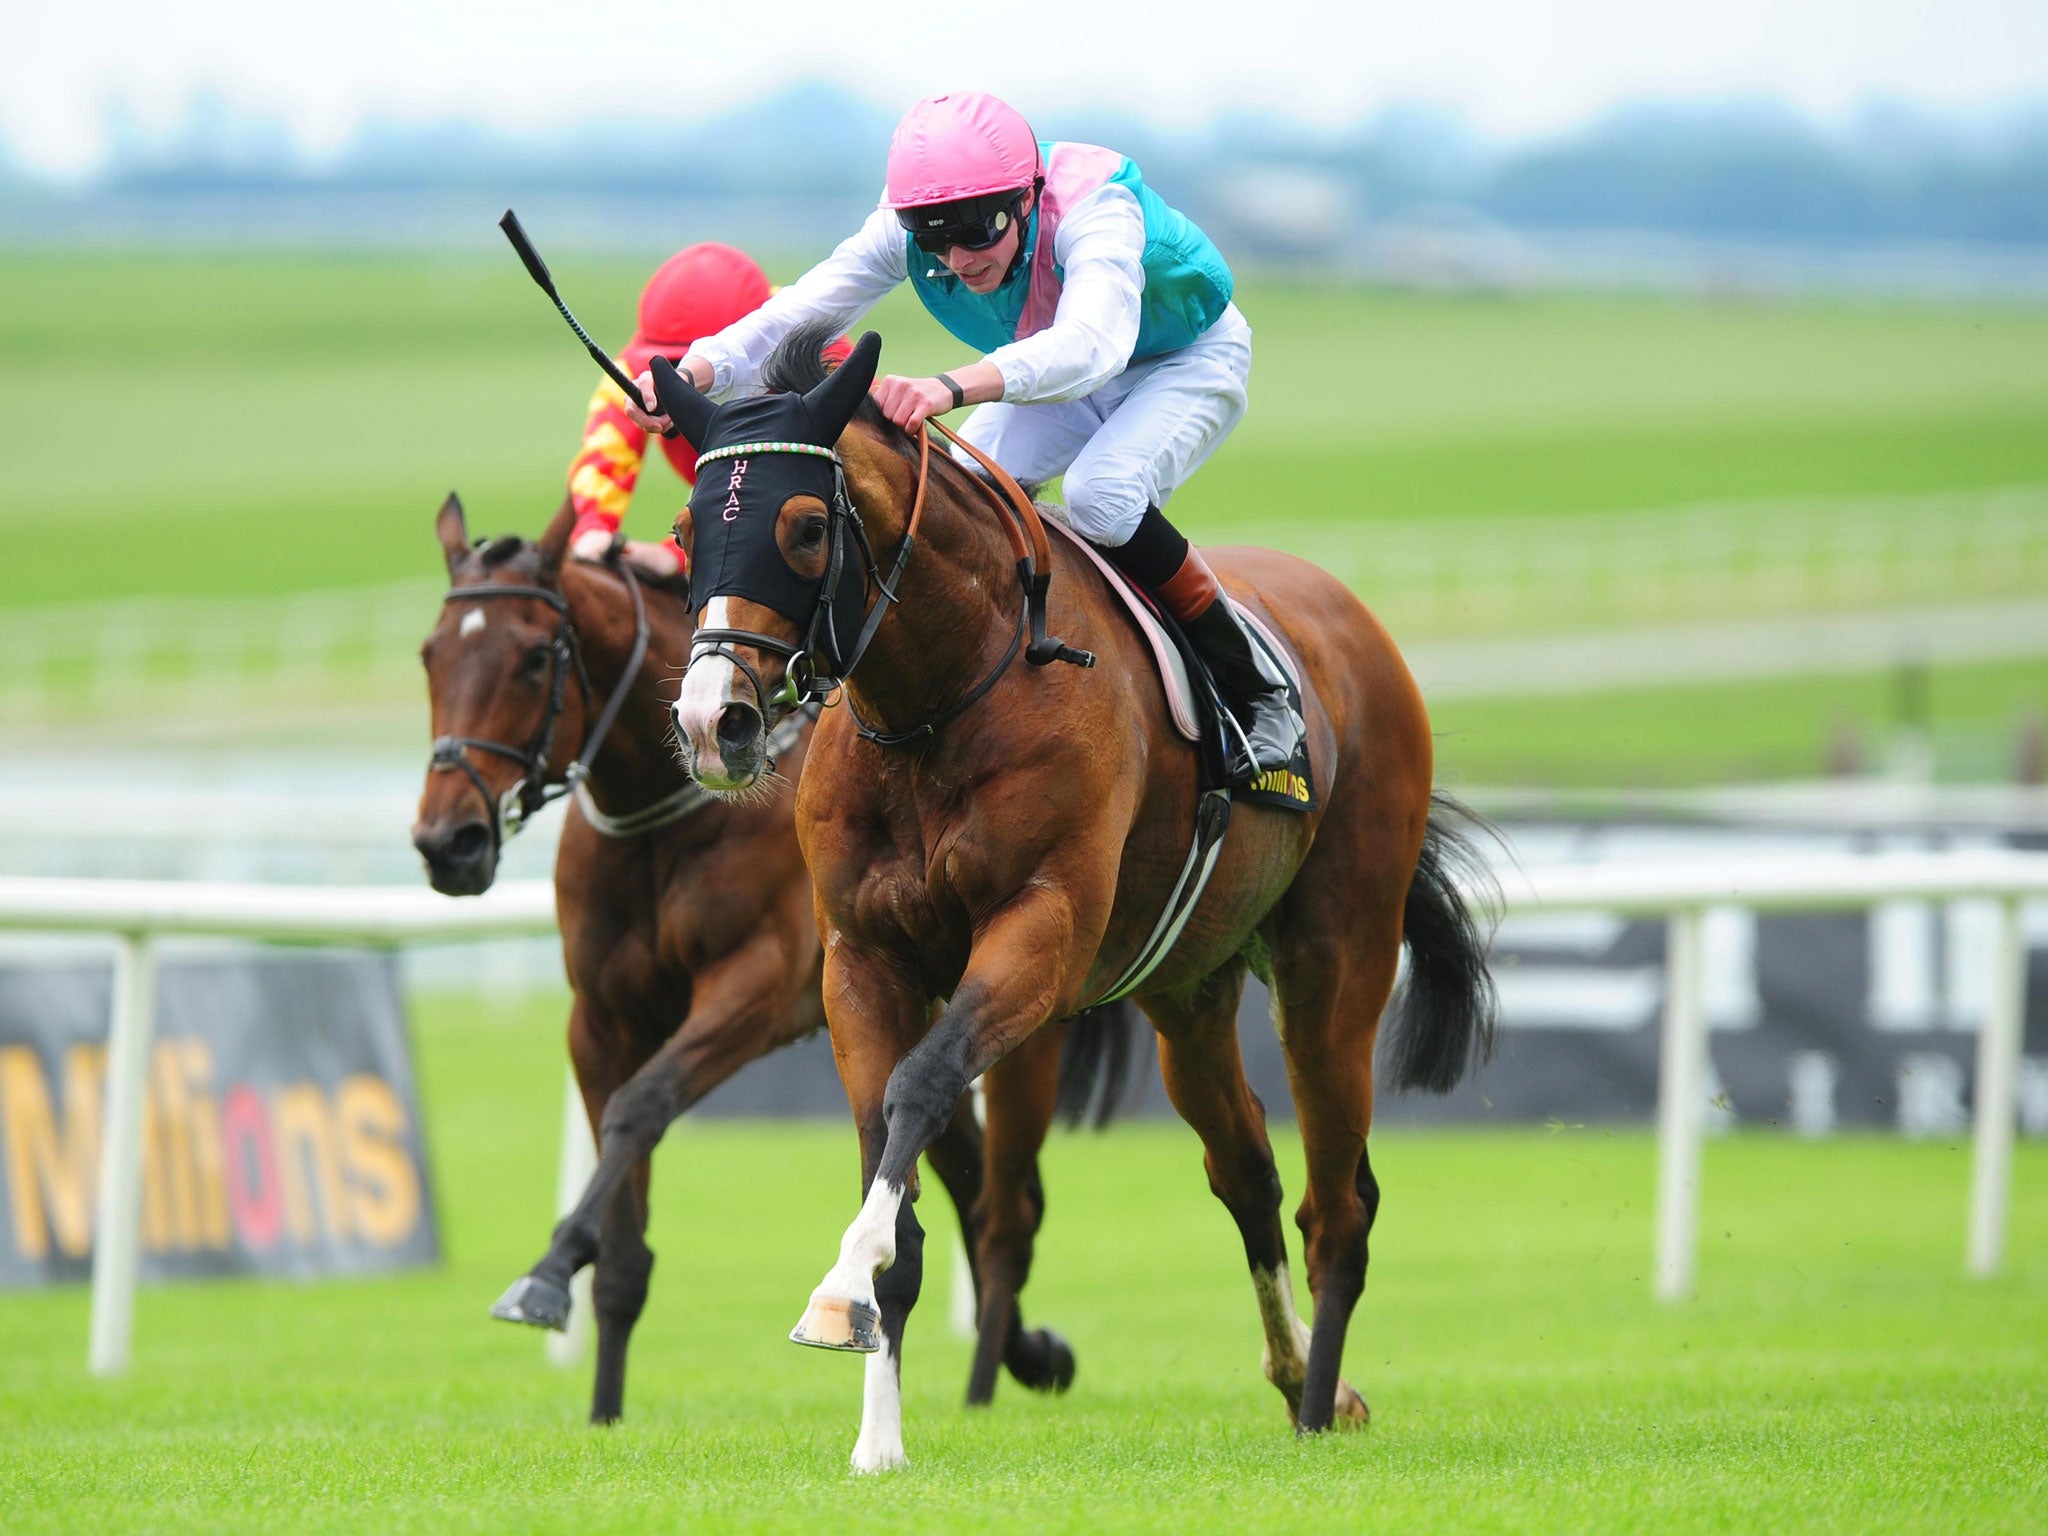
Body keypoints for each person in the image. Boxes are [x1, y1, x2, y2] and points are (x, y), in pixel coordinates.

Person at [623, 91, 1302, 783]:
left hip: (1180, 362)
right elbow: (806, 306)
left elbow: (1090, 346)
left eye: (976, 233)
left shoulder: (1098, 211)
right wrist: (699, 367)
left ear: (1027, 199)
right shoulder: (913, 227)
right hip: (1052, 365)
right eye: (933, 238)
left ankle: (1255, 685)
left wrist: (947, 387)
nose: (956, 257)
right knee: (964, 493)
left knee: (1104, 494)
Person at [566, 242, 847, 578]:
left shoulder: (817, 349)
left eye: (688, 365)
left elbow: (802, 492)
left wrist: (675, 552)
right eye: (666, 365)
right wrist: (594, 531)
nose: (675, 383)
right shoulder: (637, 368)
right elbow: (604, 458)